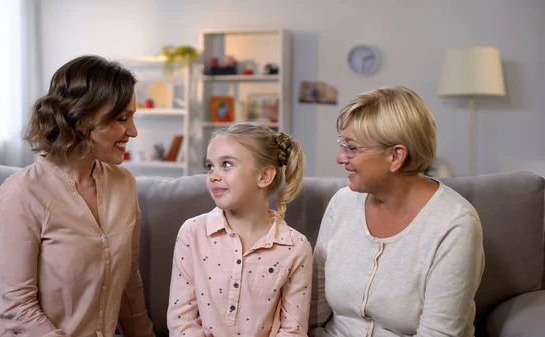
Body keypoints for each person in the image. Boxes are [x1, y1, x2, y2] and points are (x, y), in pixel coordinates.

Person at [0, 55, 155, 337]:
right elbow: (17, 306)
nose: (132, 131)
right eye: (122, 118)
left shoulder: (124, 184)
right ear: (81, 118)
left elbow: (128, 282)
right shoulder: (21, 194)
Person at [309, 86, 485, 337]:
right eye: (342, 144)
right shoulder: (342, 204)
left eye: (351, 147)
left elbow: (439, 333)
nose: (340, 157)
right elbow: (312, 310)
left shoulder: (455, 225)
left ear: (396, 156)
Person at [167, 122, 312, 337]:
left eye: (226, 164)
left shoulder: (295, 247)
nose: (213, 175)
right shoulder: (192, 233)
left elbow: (293, 330)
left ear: (264, 176)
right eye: (210, 166)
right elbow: (181, 321)